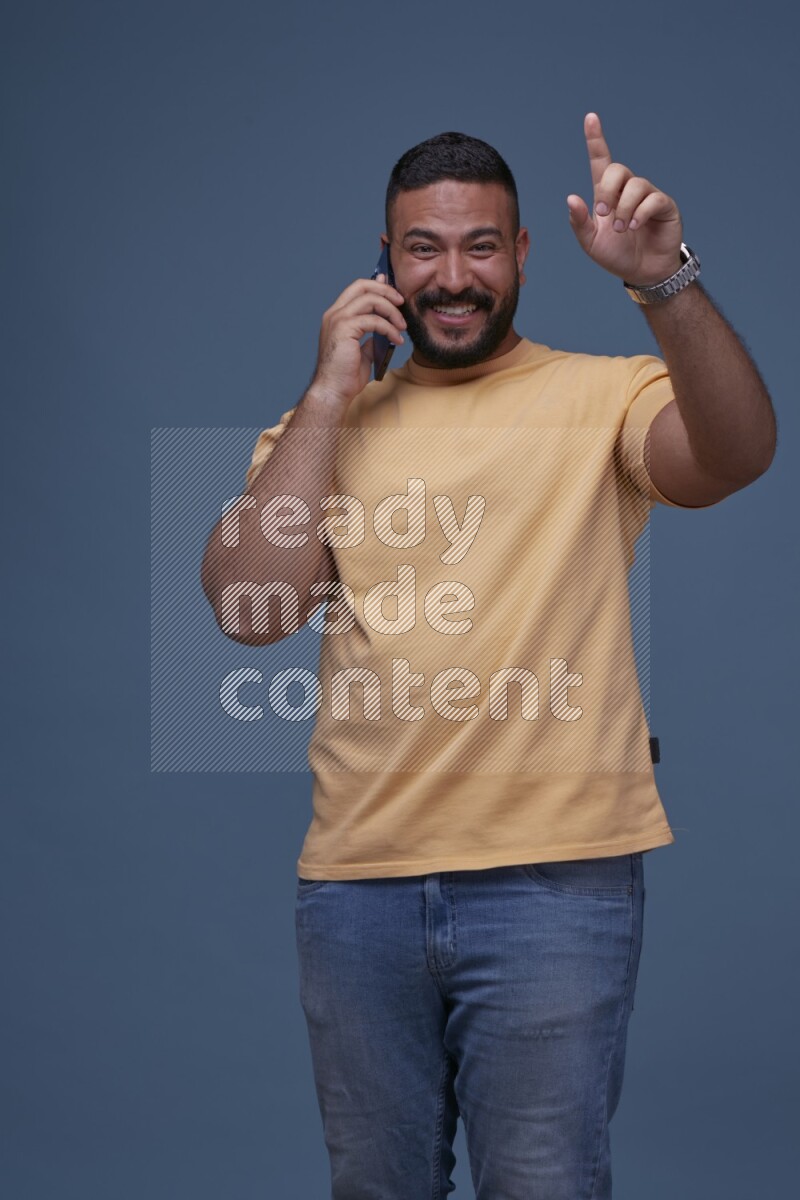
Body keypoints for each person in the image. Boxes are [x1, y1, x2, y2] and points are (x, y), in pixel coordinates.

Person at [201, 113, 776, 1199]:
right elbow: (250, 610)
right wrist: (328, 393)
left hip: (553, 883)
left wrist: (665, 286)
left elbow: (735, 456)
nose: (451, 276)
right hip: (358, 887)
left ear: (521, 256)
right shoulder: (318, 428)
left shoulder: (599, 393)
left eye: (478, 246)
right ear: (385, 263)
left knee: (543, 1185)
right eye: (423, 247)